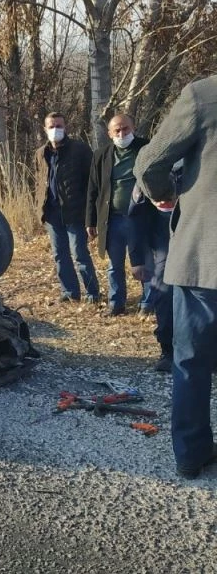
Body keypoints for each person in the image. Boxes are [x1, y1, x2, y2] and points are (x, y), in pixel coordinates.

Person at [134, 76, 217, 479]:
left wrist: (163, 193)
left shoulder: (204, 96)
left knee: (191, 361)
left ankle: (191, 452)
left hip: (205, 258)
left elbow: (149, 163)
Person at [86, 114, 149, 315]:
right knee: (115, 264)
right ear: (109, 133)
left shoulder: (146, 149)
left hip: (140, 217)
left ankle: (148, 303)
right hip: (112, 219)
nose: (122, 134)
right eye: (117, 131)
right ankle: (116, 303)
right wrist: (91, 220)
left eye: (126, 129)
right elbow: (93, 190)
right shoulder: (101, 155)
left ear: (133, 127)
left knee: (144, 262)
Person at [35, 112, 100, 303]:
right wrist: (39, 209)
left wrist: (91, 215)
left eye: (59, 126)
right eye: (52, 126)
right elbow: (39, 182)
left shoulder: (80, 150)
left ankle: (92, 293)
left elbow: (92, 183)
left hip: (75, 213)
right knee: (60, 255)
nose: (56, 130)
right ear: (45, 129)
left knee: (80, 254)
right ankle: (69, 292)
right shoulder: (41, 153)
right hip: (52, 213)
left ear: (66, 127)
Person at [127, 182, 173, 371]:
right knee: (164, 293)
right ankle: (168, 350)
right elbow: (136, 216)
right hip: (165, 242)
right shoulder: (152, 167)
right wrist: (137, 258)